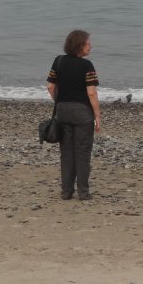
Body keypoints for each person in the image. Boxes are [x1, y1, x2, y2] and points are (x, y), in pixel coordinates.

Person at [46, 30, 102, 200]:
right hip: (82, 113)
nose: (90, 45)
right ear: (79, 45)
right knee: (82, 152)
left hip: (63, 111)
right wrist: (97, 115)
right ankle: (83, 192)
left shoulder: (59, 61)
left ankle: (66, 191)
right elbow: (91, 93)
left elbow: (50, 86)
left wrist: (60, 101)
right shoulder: (87, 66)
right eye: (87, 43)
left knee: (67, 152)